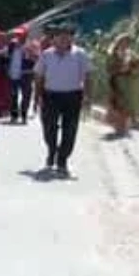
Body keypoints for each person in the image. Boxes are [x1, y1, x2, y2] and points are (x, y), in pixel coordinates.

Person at [33, 21, 92, 176]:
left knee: (70, 130)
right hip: (51, 95)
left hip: (73, 96)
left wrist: (87, 97)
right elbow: (39, 77)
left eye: (67, 37)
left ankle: (62, 160)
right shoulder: (46, 55)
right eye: (60, 37)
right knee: (49, 128)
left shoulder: (80, 54)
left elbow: (87, 76)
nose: (63, 40)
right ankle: (52, 151)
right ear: (54, 39)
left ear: (72, 39)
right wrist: (37, 96)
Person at [104, 32, 139, 137]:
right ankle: (119, 128)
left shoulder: (130, 53)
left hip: (129, 83)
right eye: (123, 41)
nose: (125, 44)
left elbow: (138, 64)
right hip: (117, 81)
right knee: (118, 103)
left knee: (128, 104)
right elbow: (109, 69)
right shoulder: (112, 53)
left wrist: (138, 65)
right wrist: (121, 69)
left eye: (127, 42)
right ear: (118, 42)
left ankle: (123, 128)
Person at [6, 27, 36, 124]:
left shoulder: (32, 45)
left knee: (26, 95)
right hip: (13, 74)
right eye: (17, 35)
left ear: (26, 35)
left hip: (26, 74)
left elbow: (36, 58)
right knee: (13, 95)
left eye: (20, 34)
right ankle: (14, 115)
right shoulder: (12, 45)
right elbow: (7, 55)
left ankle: (24, 115)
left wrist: (28, 52)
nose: (18, 36)